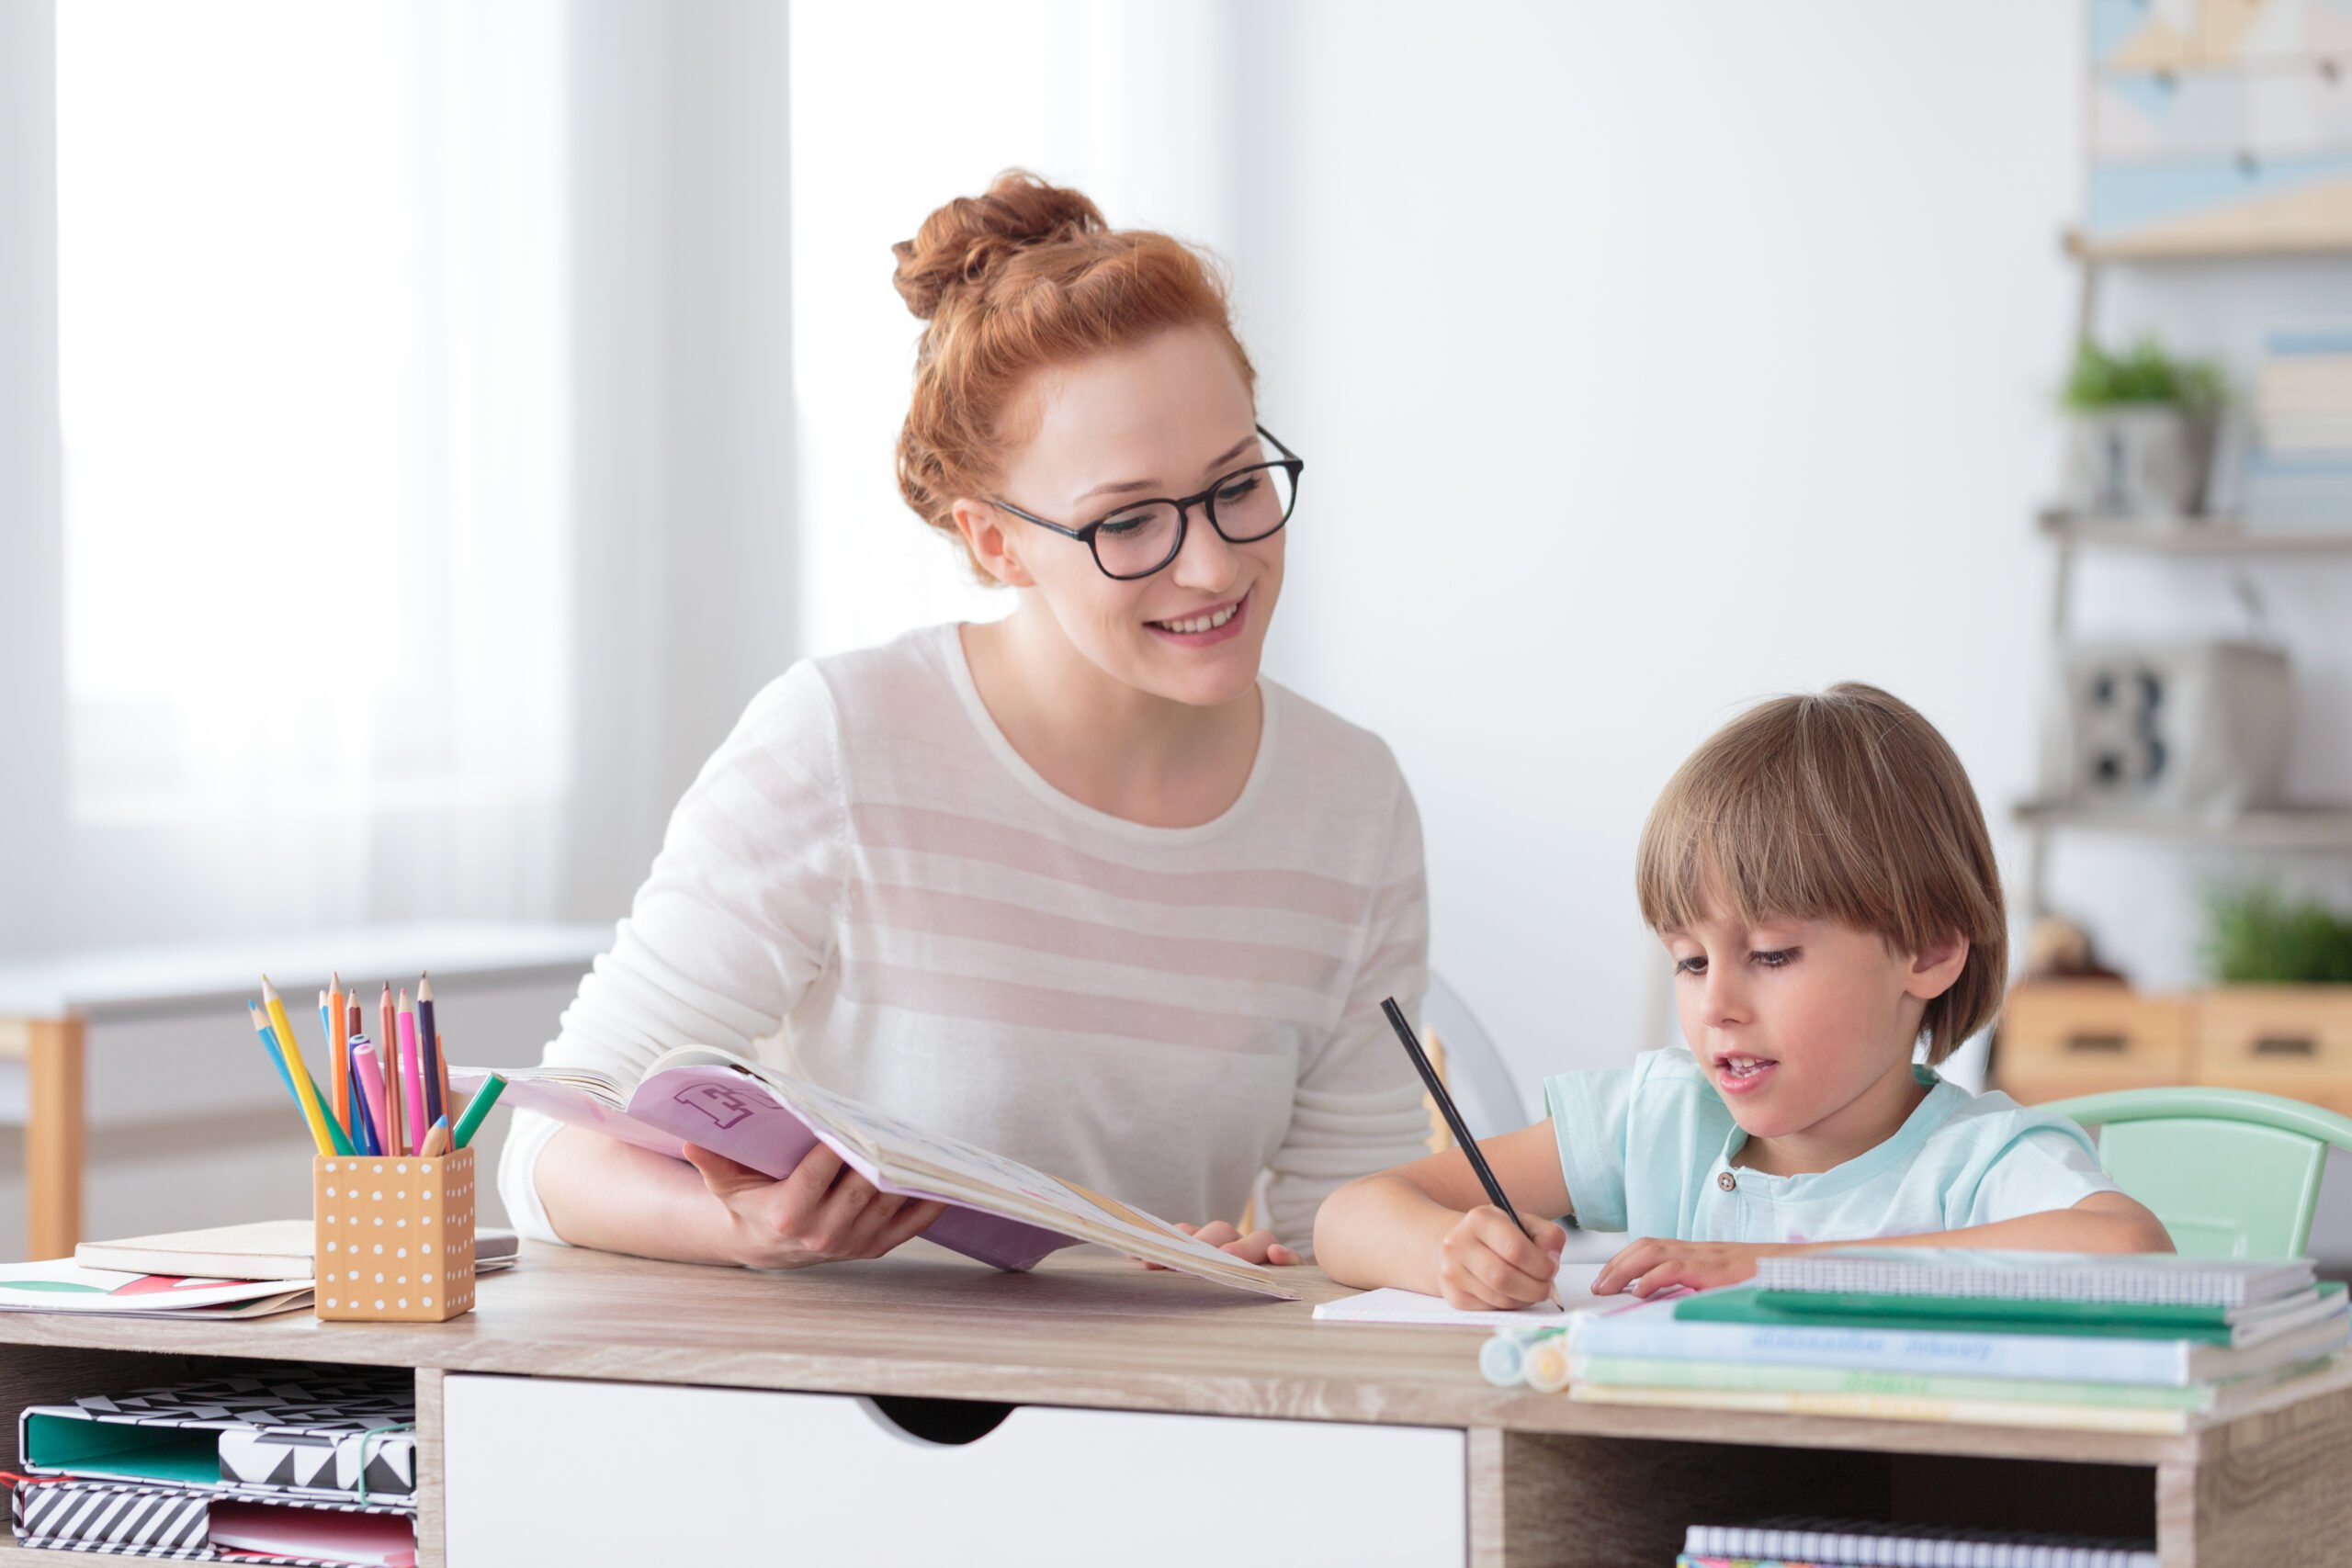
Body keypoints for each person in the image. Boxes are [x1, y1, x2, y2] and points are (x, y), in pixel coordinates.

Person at [499, 171, 1431, 1270]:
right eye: (1127, 521)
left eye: (1237, 486)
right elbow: (548, 1154)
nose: (1215, 564)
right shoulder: (843, 742)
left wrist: (1259, 1265)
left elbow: (1349, 1226)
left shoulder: (1351, 800)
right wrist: (749, 1230)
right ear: (994, 542)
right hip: (849, 1409)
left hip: (1159, 1414)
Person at [1313, 682, 2171, 1309]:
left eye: (1770, 954)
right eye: (1689, 962)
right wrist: (1446, 1253)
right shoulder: (1656, 1122)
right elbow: (1349, 1214)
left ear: (1931, 948)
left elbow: (2129, 1247)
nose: (1716, 1003)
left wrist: (1779, 1262)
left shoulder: (1974, 1162)